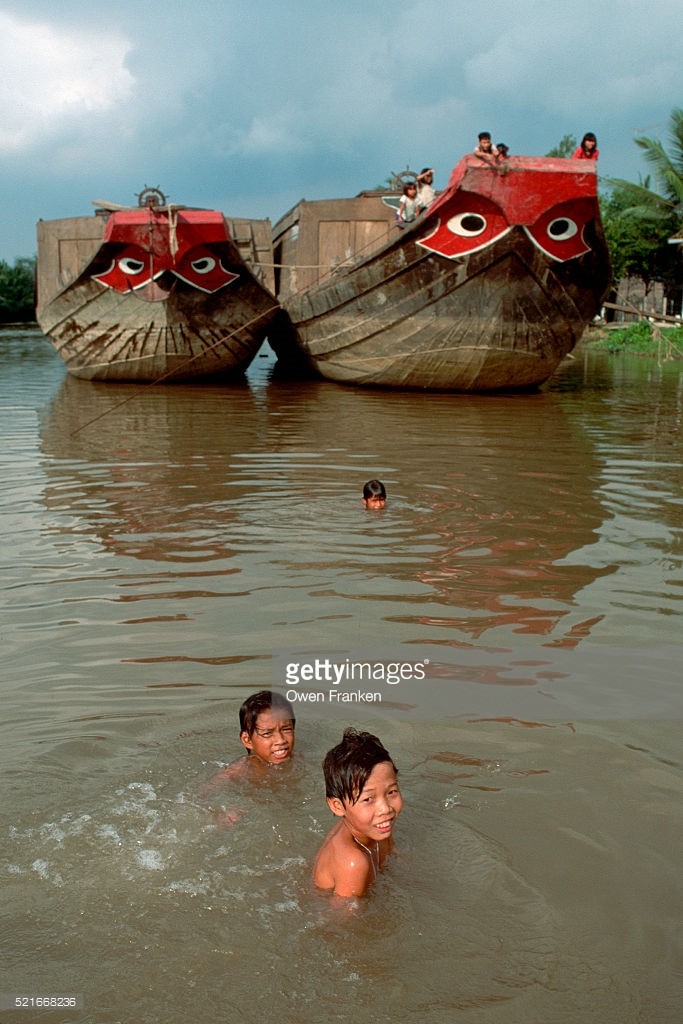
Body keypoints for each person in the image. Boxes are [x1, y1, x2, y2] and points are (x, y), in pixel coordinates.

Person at [313, 728, 403, 898]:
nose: (385, 809)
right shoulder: (353, 863)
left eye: (391, 792)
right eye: (368, 799)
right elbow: (344, 922)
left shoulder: (376, 826)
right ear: (338, 806)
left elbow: (395, 856)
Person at [201, 690, 296, 792]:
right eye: (267, 733)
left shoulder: (298, 759)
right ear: (247, 740)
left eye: (286, 729)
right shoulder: (237, 771)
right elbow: (202, 794)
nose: (280, 740)